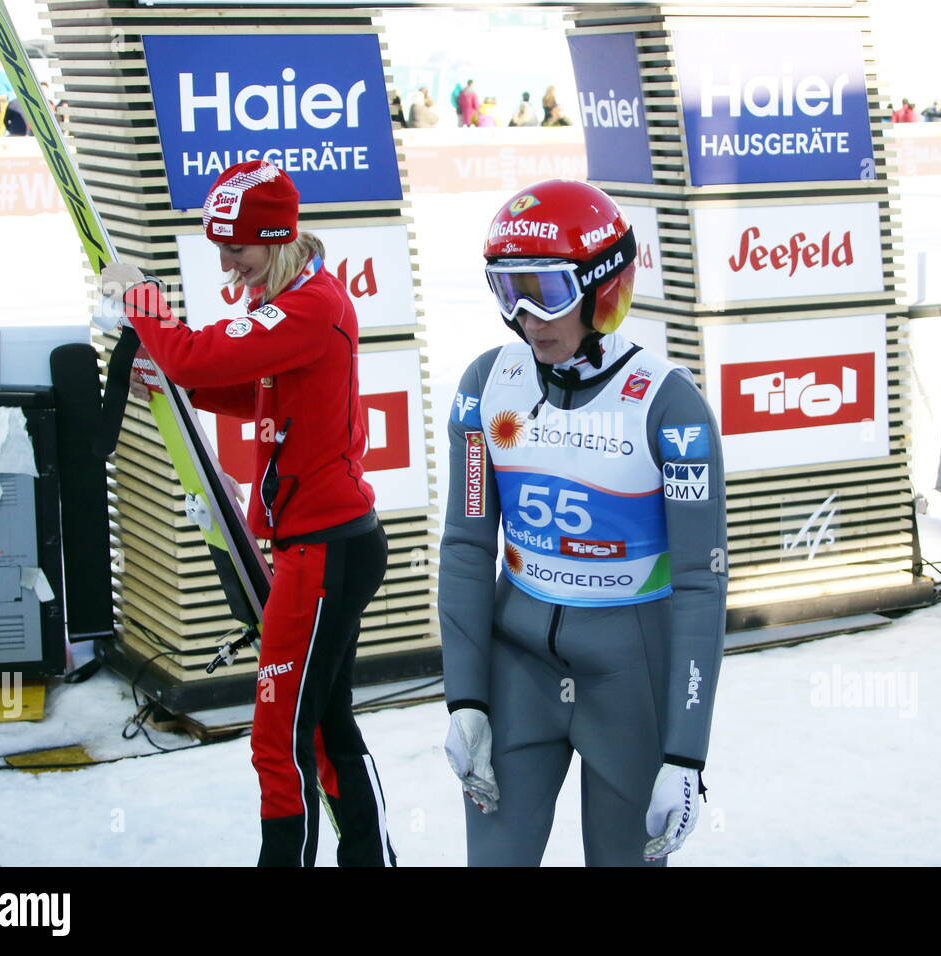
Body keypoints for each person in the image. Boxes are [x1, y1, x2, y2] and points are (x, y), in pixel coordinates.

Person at [97, 160, 396, 868]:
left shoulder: (309, 305)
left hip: (324, 551)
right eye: (219, 248)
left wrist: (143, 301)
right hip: (320, 546)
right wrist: (174, 387)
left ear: (277, 237)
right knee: (321, 728)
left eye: (237, 247)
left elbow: (197, 357)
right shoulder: (296, 299)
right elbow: (261, 394)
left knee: (278, 738)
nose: (227, 263)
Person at [440, 180, 727, 866]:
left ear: (604, 286)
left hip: (629, 680)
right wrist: (465, 696)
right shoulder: (486, 386)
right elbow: (467, 547)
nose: (529, 317)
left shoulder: (670, 406)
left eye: (547, 290)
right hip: (517, 674)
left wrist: (685, 751)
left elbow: (699, 580)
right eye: (508, 292)